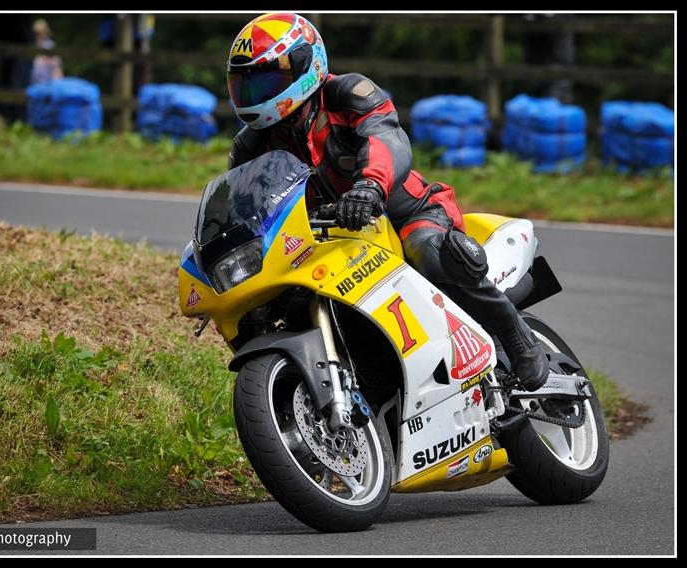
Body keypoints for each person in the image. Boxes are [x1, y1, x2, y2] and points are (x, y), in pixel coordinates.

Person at [226, 12, 548, 391]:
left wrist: (370, 186)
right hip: (327, 239)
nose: (256, 95)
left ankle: (517, 338)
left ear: (304, 65)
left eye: (266, 80)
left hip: (404, 213)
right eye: (246, 85)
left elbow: (386, 138)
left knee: (431, 252)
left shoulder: (346, 94)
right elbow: (243, 210)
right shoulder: (251, 145)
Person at [30, 18, 63, 85]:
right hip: (34, 85)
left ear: (45, 32)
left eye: (38, 33)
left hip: (46, 86)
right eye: (35, 33)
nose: (36, 36)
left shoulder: (49, 46)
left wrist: (56, 86)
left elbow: (57, 69)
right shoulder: (32, 46)